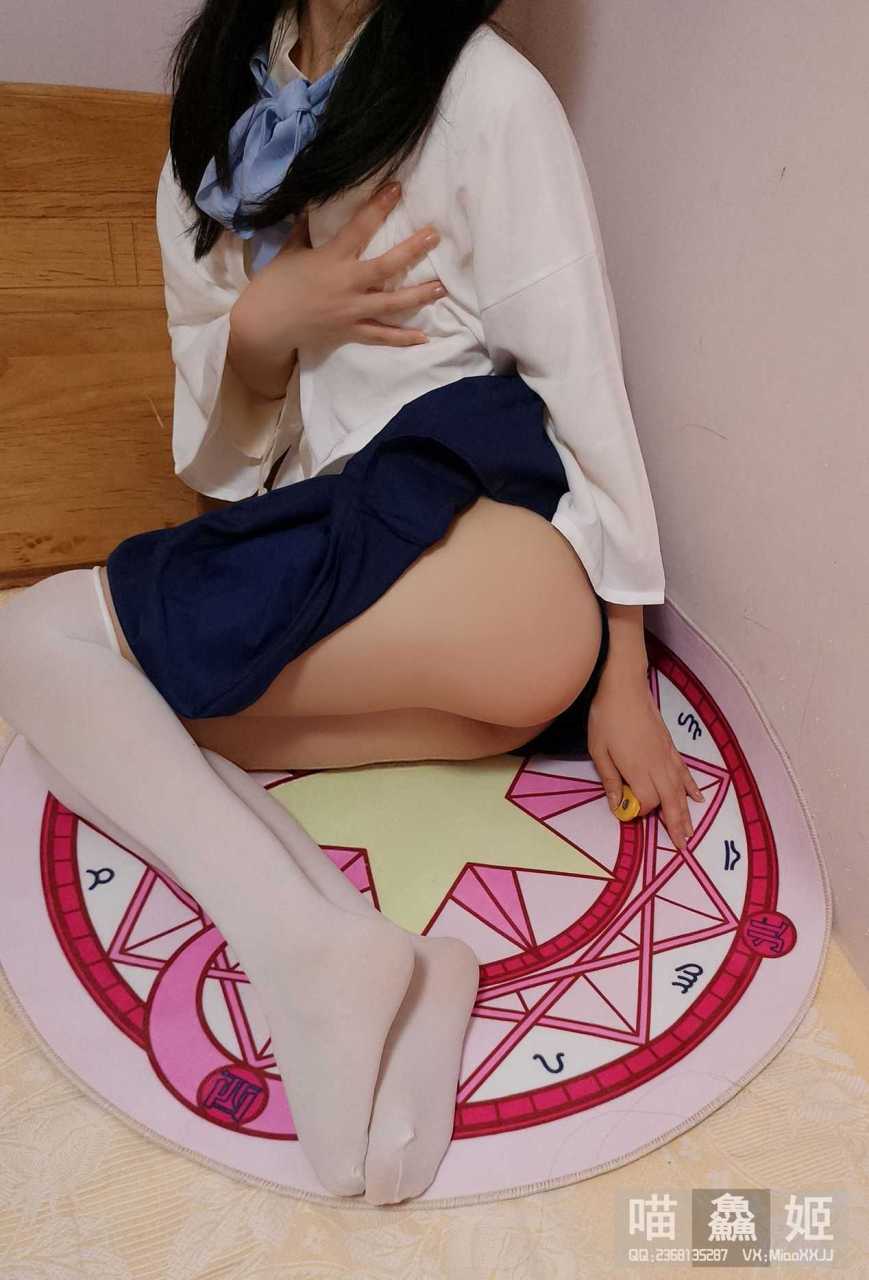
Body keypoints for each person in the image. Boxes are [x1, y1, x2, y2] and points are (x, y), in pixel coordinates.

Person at [0, 0, 702, 1205]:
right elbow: (224, 449)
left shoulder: (486, 96)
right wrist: (267, 323)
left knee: (31, 637)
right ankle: (387, 968)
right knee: (107, 727)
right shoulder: (224, 110)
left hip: (495, 558)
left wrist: (624, 661)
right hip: (408, 637)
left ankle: (305, 952)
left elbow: (581, 374)